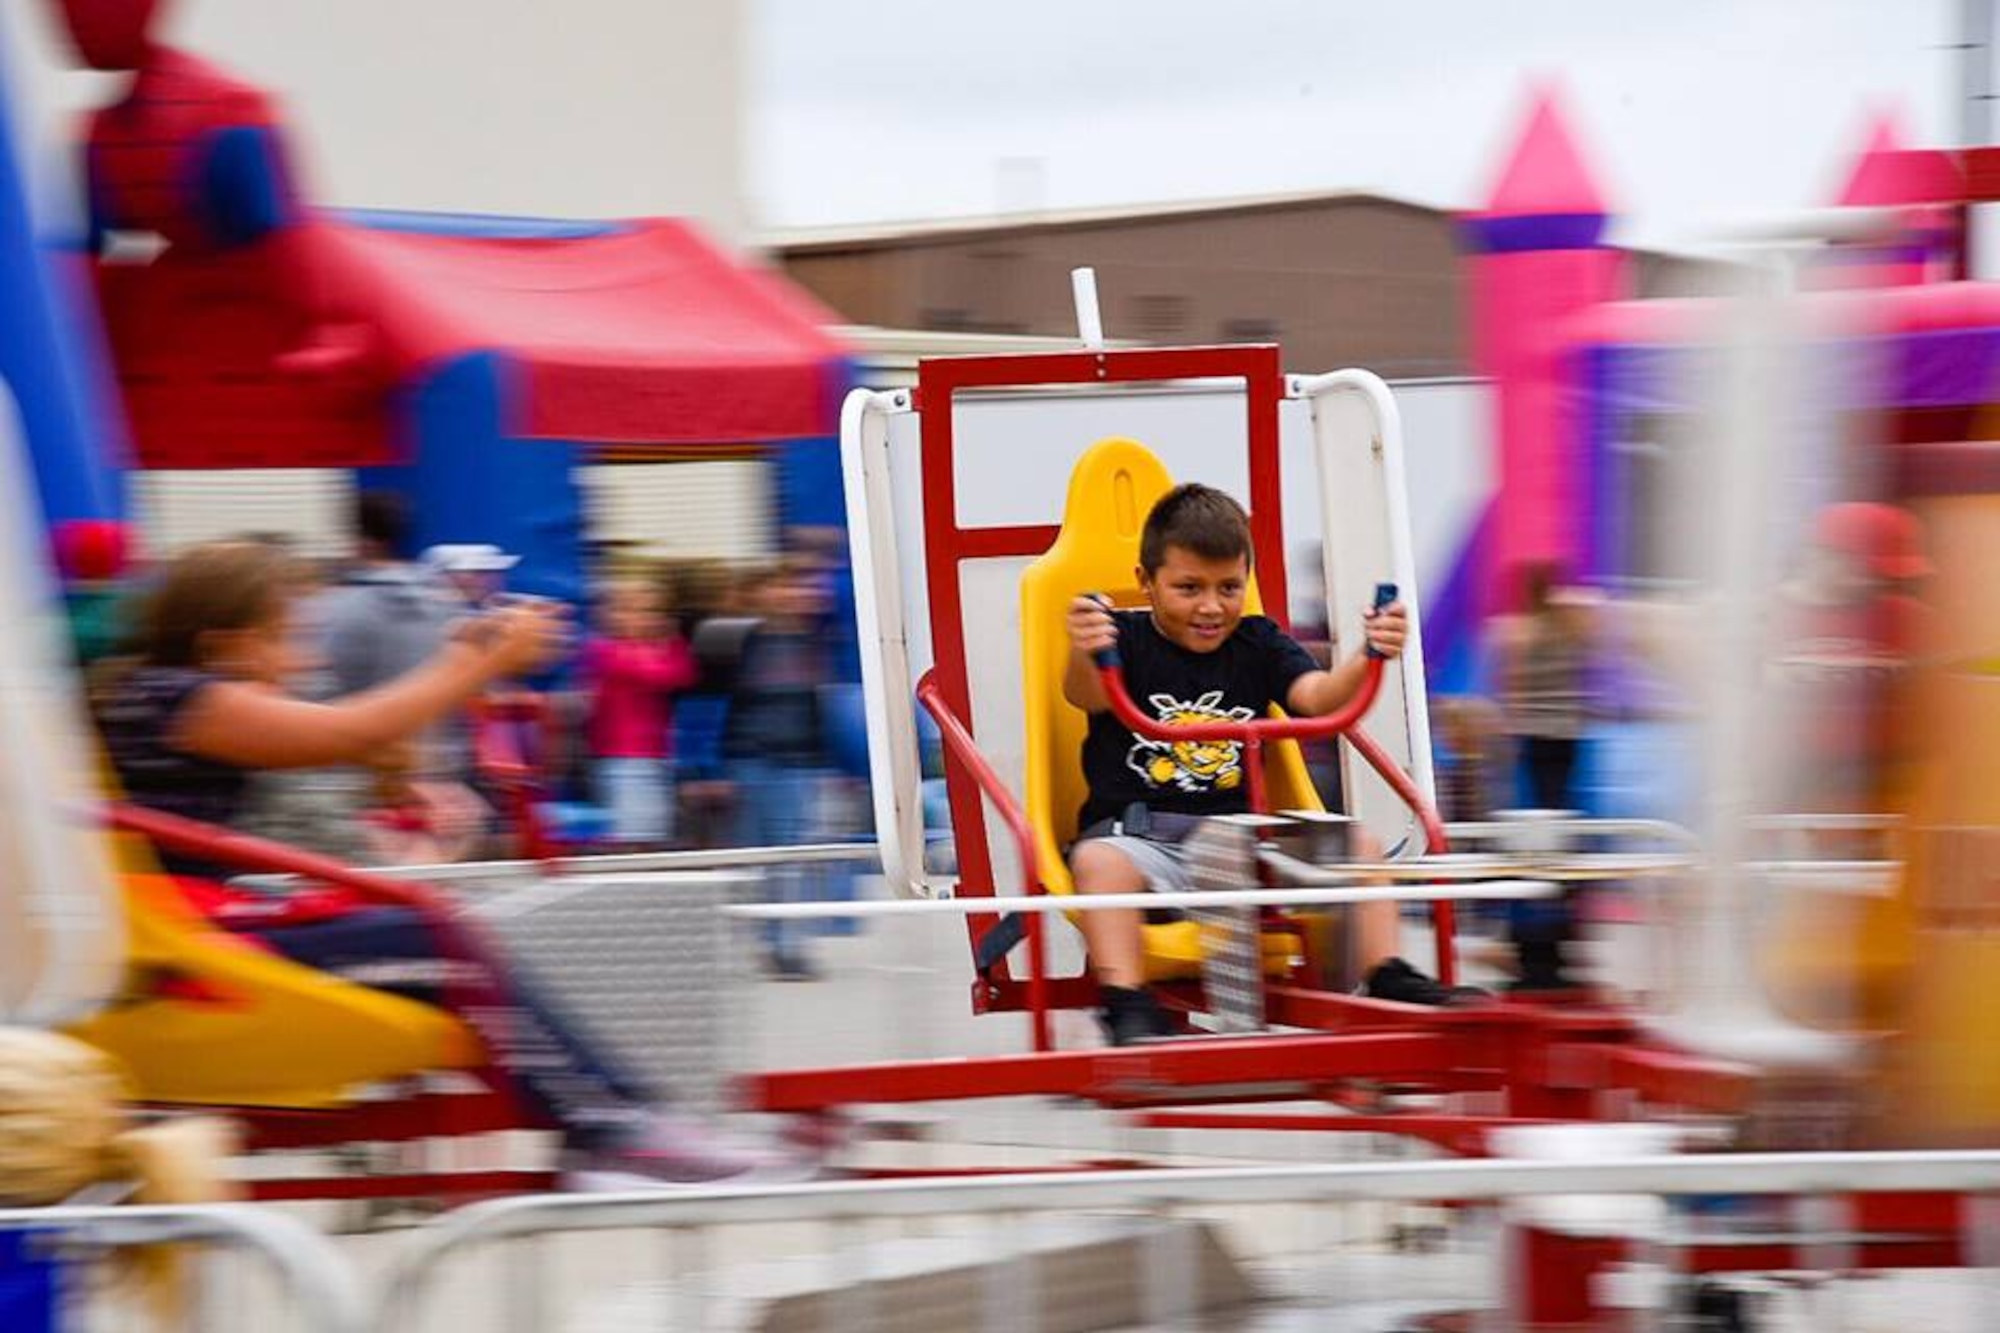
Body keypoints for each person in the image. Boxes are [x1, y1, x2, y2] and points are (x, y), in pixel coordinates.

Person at [93, 541, 779, 1183]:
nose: (303, 655)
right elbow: (349, 728)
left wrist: (422, 704)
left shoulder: (161, 695)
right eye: (286, 635)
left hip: (193, 928)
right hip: (190, 947)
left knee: (421, 932)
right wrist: (477, 663)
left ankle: (616, 1114)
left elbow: (362, 739)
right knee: (438, 939)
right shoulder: (182, 698)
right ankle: (608, 1127)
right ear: (224, 645)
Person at [1063, 484, 1473, 1045]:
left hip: (1239, 839)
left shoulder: (1256, 640)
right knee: (1097, 862)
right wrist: (1087, 647)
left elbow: (1320, 697)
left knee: (1363, 846)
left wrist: (1370, 654)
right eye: (1188, 588)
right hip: (1146, 839)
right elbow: (1086, 695)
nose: (1211, 606)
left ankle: (1386, 975)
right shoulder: (1125, 639)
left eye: (1229, 587)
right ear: (1146, 582)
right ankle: (1127, 1002)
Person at [724, 555, 837, 980]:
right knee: (756, 858)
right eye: (778, 585)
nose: (789, 594)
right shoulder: (737, 641)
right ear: (756, 593)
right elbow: (712, 705)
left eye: (796, 586)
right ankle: (767, 940)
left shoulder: (815, 640)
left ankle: (788, 946)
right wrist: (707, 769)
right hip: (751, 761)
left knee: (791, 858)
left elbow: (826, 705)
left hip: (799, 763)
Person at [580, 578, 696, 845]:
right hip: (623, 760)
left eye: (653, 612)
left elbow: (684, 673)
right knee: (633, 842)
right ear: (611, 614)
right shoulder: (603, 650)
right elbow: (656, 675)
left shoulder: (661, 648)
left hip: (659, 757)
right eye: (634, 610)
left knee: (654, 838)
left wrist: (667, 642)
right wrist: (662, 646)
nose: (646, 619)